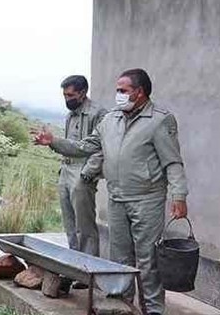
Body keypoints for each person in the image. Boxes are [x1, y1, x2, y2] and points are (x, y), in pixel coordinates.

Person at [34, 68, 189, 315]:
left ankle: (153, 308)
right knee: (119, 257)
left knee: (148, 259)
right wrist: (54, 142)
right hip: (117, 196)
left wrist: (179, 196)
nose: (118, 95)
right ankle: (122, 303)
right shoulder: (111, 120)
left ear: (139, 92)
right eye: (118, 90)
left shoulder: (160, 120)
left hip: (147, 199)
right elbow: (86, 146)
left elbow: (172, 161)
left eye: (123, 90)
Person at [57, 76, 107, 278]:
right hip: (66, 169)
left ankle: (88, 272)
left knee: (84, 226)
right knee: (70, 223)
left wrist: (87, 174)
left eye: (70, 95)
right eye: (64, 95)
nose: (66, 99)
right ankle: (74, 268)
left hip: (83, 171)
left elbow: (102, 146)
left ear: (82, 92)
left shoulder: (98, 113)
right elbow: (70, 145)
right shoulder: (71, 115)